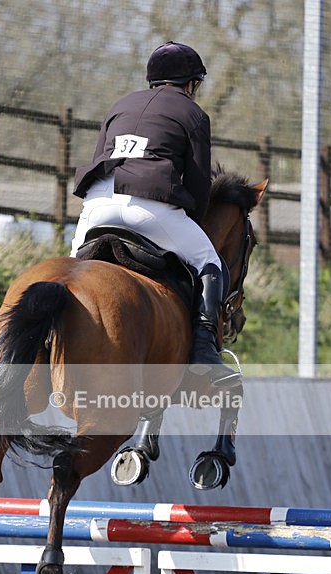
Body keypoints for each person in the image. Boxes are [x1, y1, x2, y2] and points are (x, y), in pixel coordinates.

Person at [70, 41, 232, 380]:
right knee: (210, 261)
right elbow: (200, 183)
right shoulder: (194, 114)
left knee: (70, 274)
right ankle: (204, 349)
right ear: (191, 84)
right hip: (150, 207)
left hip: (97, 204)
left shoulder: (119, 105)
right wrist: (194, 224)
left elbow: (101, 154)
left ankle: (50, 336)